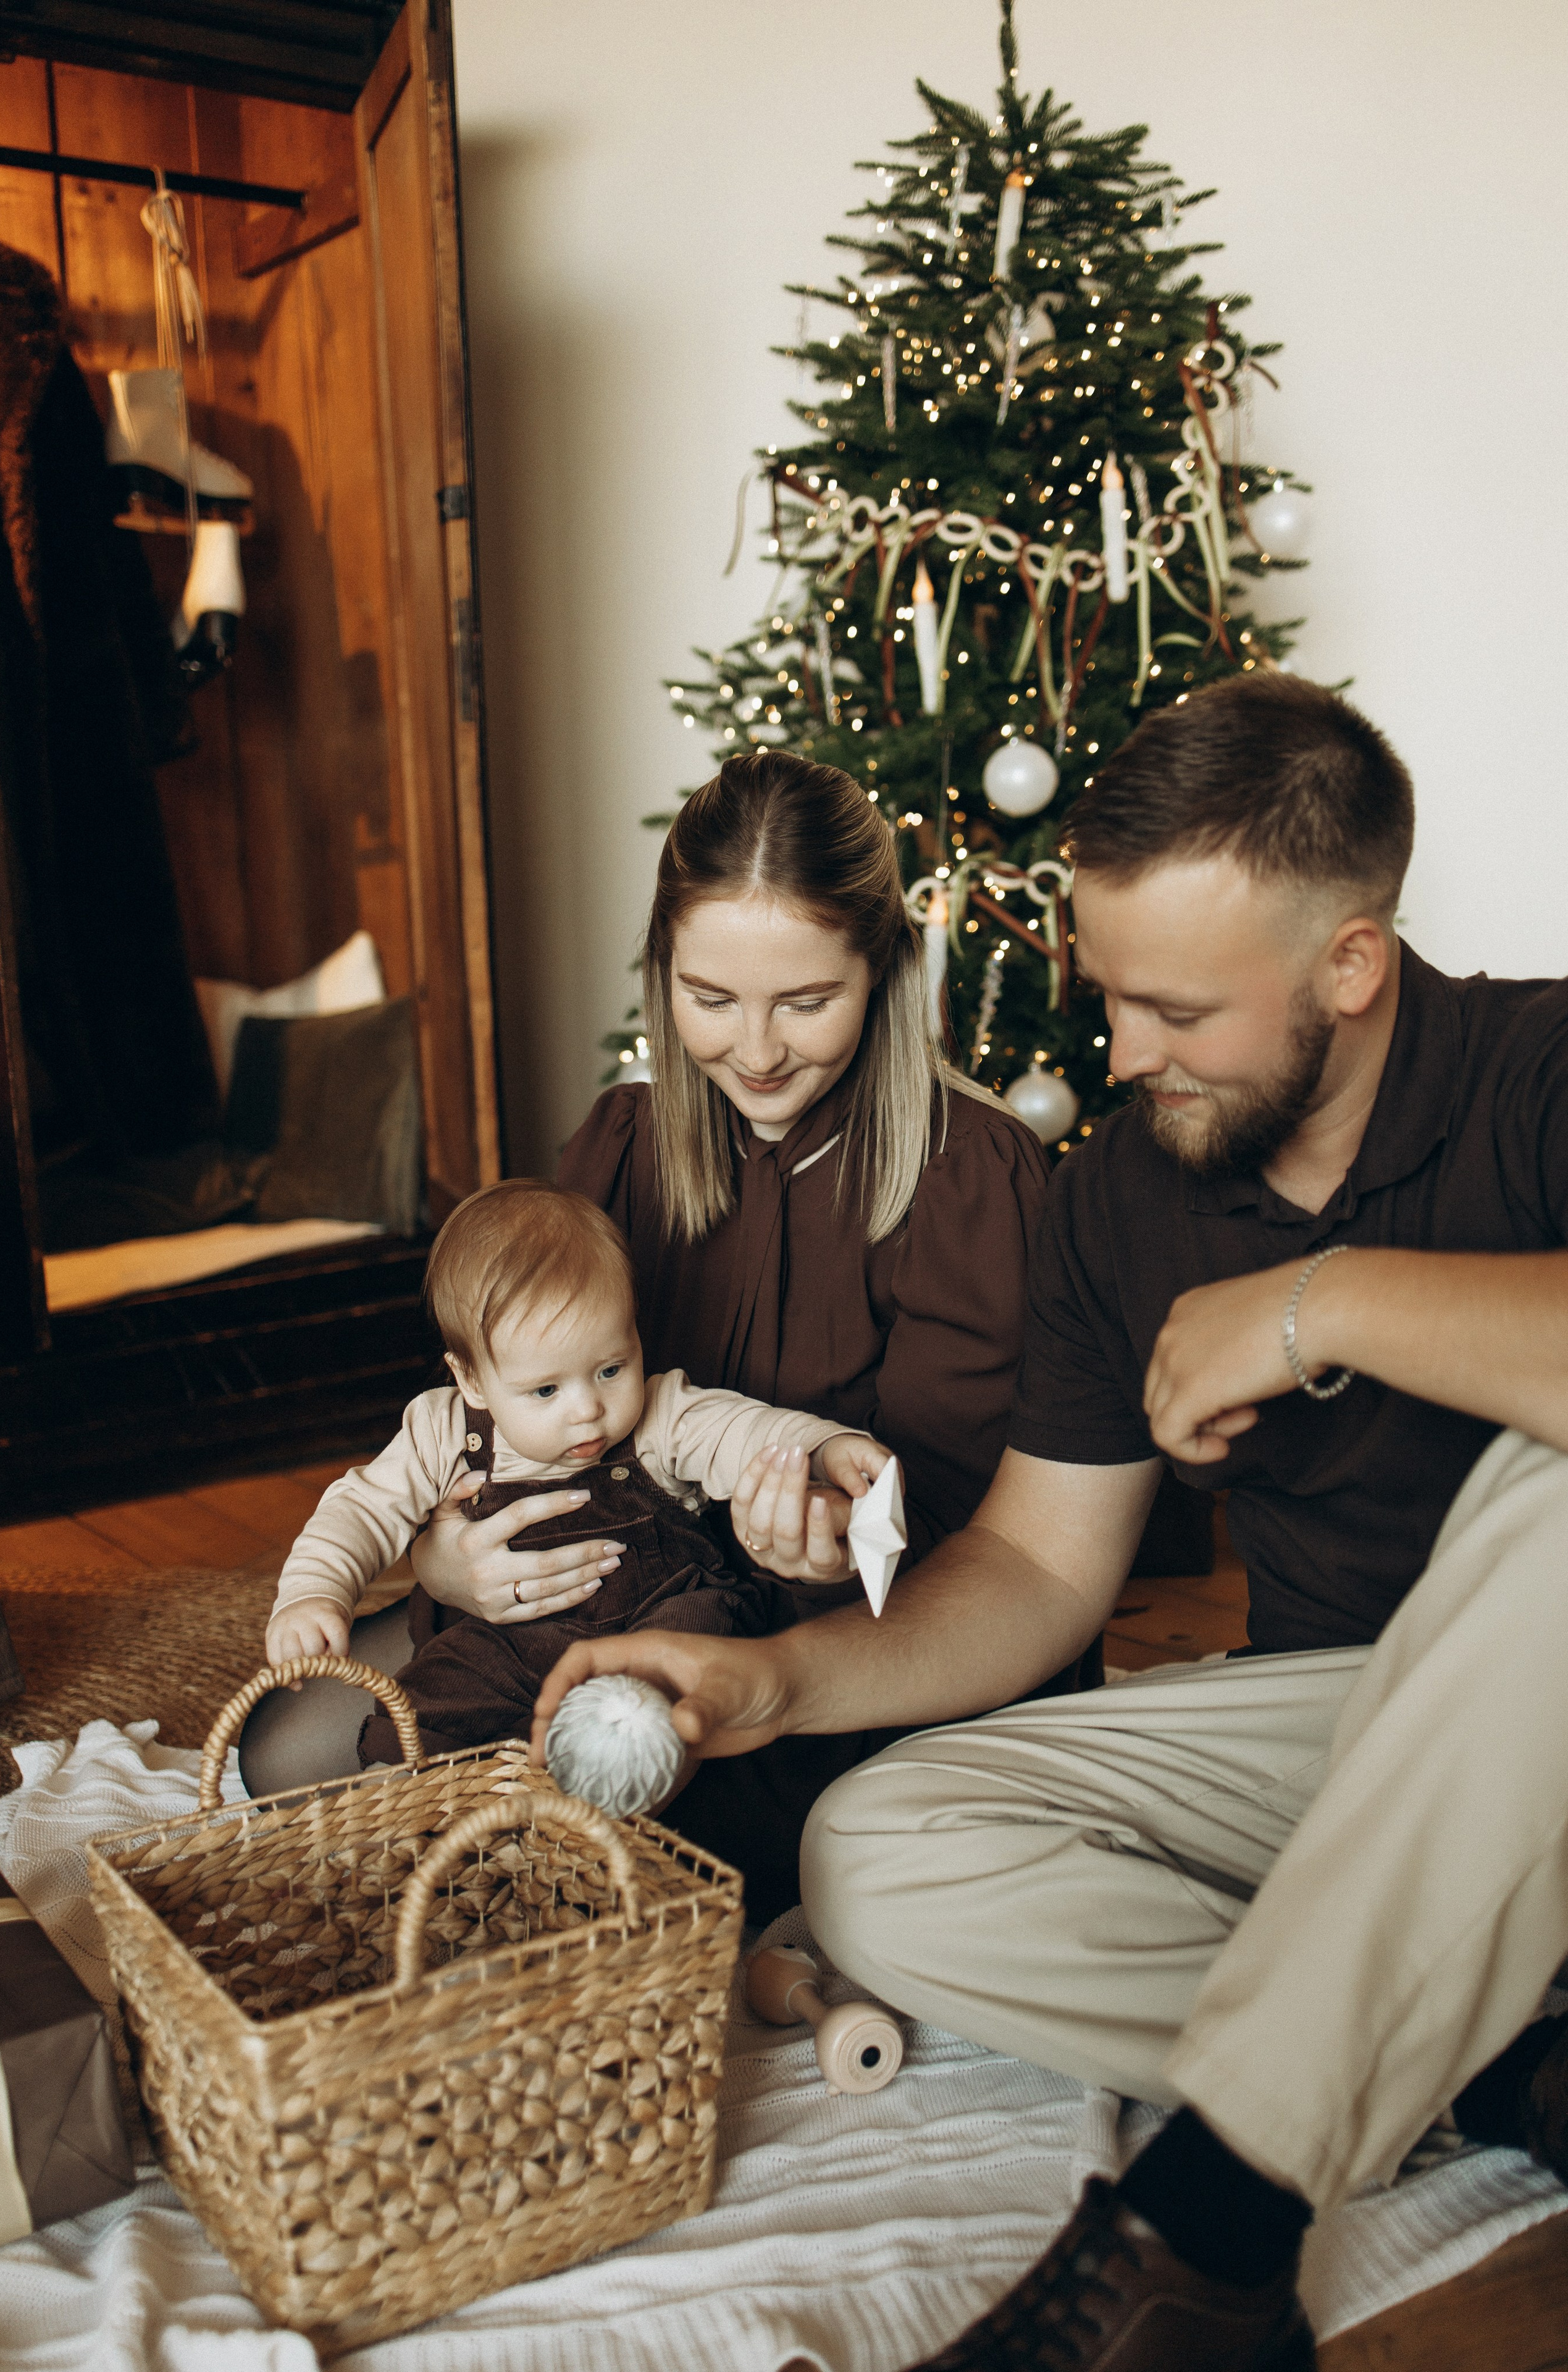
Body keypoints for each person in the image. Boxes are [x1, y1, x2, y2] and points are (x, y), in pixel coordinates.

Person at [529, 675, 1568, 2372]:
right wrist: (772, 1684)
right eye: (1110, 998)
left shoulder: (1541, 1068)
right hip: (1348, 1732)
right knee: (873, 1856)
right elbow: (1033, 1567)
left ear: (1351, 967)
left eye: (1173, 1011)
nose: (1121, 1055)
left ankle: (1218, 2227)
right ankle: (1502, 2058)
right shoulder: (1122, 1194)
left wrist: (1328, 1300)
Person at [407, 751, 1082, 1918]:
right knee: (314, 1745)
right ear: (664, 968)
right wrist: (441, 1561)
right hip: (625, 1619)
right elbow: (501, 1408)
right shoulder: (620, 1145)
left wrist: (837, 1555)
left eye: (807, 1002)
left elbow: (996, 1549)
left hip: (862, 1672)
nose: (757, 1052)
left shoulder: (973, 1174)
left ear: (882, 971)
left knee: (641, 1836)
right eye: (710, 999)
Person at [257, 1179, 887, 1770]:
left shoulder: (662, 1415)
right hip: (507, 1641)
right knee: (428, 1701)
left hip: (656, 1617)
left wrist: (824, 1448)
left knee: (692, 1650)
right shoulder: (445, 1430)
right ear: (472, 1379)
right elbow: (360, 1510)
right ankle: (412, 1813)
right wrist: (316, 1593)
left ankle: (607, 1787)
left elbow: (747, 1432)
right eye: (546, 1389)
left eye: (611, 1369)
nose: (587, 1409)